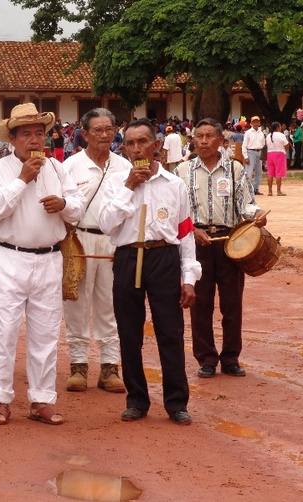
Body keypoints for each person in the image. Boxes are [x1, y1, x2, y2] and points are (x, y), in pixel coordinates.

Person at [0, 103, 85, 426]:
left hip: (50, 258)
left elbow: (78, 208)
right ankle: (0, 399)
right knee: (4, 332)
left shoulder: (57, 168)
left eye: (39, 133)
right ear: (11, 139)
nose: (34, 140)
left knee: (46, 333)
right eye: (26, 134)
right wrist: (22, 180)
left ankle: (42, 399)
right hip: (9, 257)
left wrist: (65, 205)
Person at [99, 118, 201, 425]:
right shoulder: (116, 182)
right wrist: (129, 187)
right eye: (129, 143)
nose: (136, 149)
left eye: (143, 141)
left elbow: (185, 233)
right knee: (129, 333)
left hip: (163, 257)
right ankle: (137, 399)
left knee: (170, 332)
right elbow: (106, 224)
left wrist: (188, 277)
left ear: (156, 146)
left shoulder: (175, 184)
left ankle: (176, 402)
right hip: (128, 257)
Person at [174, 118, 267, 380]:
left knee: (232, 303)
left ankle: (230, 358)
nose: (203, 141)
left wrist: (256, 214)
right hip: (197, 243)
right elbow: (176, 212)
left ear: (221, 141)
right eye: (198, 136)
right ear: (193, 139)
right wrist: (192, 230)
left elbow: (247, 204)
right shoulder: (182, 171)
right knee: (200, 303)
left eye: (209, 136)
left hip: (230, 243)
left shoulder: (235, 170)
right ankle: (206, 358)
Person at [62, 108, 130, 394]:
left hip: (114, 242)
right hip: (79, 241)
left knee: (110, 304)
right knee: (76, 303)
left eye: (109, 129)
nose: (104, 135)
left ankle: (110, 367)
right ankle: (78, 366)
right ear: (84, 134)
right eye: (97, 130)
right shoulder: (69, 166)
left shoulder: (124, 167)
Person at [241, 116, 265, 195]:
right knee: (249, 172)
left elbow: (263, 144)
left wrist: (263, 155)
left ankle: (255, 188)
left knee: (259, 172)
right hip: (251, 152)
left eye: (257, 121)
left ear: (259, 123)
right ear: (251, 123)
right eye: (254, 122)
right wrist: (246, 157)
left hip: (259, 152)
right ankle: (247, 189)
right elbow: (244, 145)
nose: (256, 123)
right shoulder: (248, 133)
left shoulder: (261, 133)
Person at [265, 122, 289, 196]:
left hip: (270, 154)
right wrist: (285, 150)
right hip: (279, 153)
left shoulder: (268, 136)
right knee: (279, 173)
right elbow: (286, 145)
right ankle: (278, 191)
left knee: (270, 173)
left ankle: (270, 191)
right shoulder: (281, 135)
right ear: (278, 127)